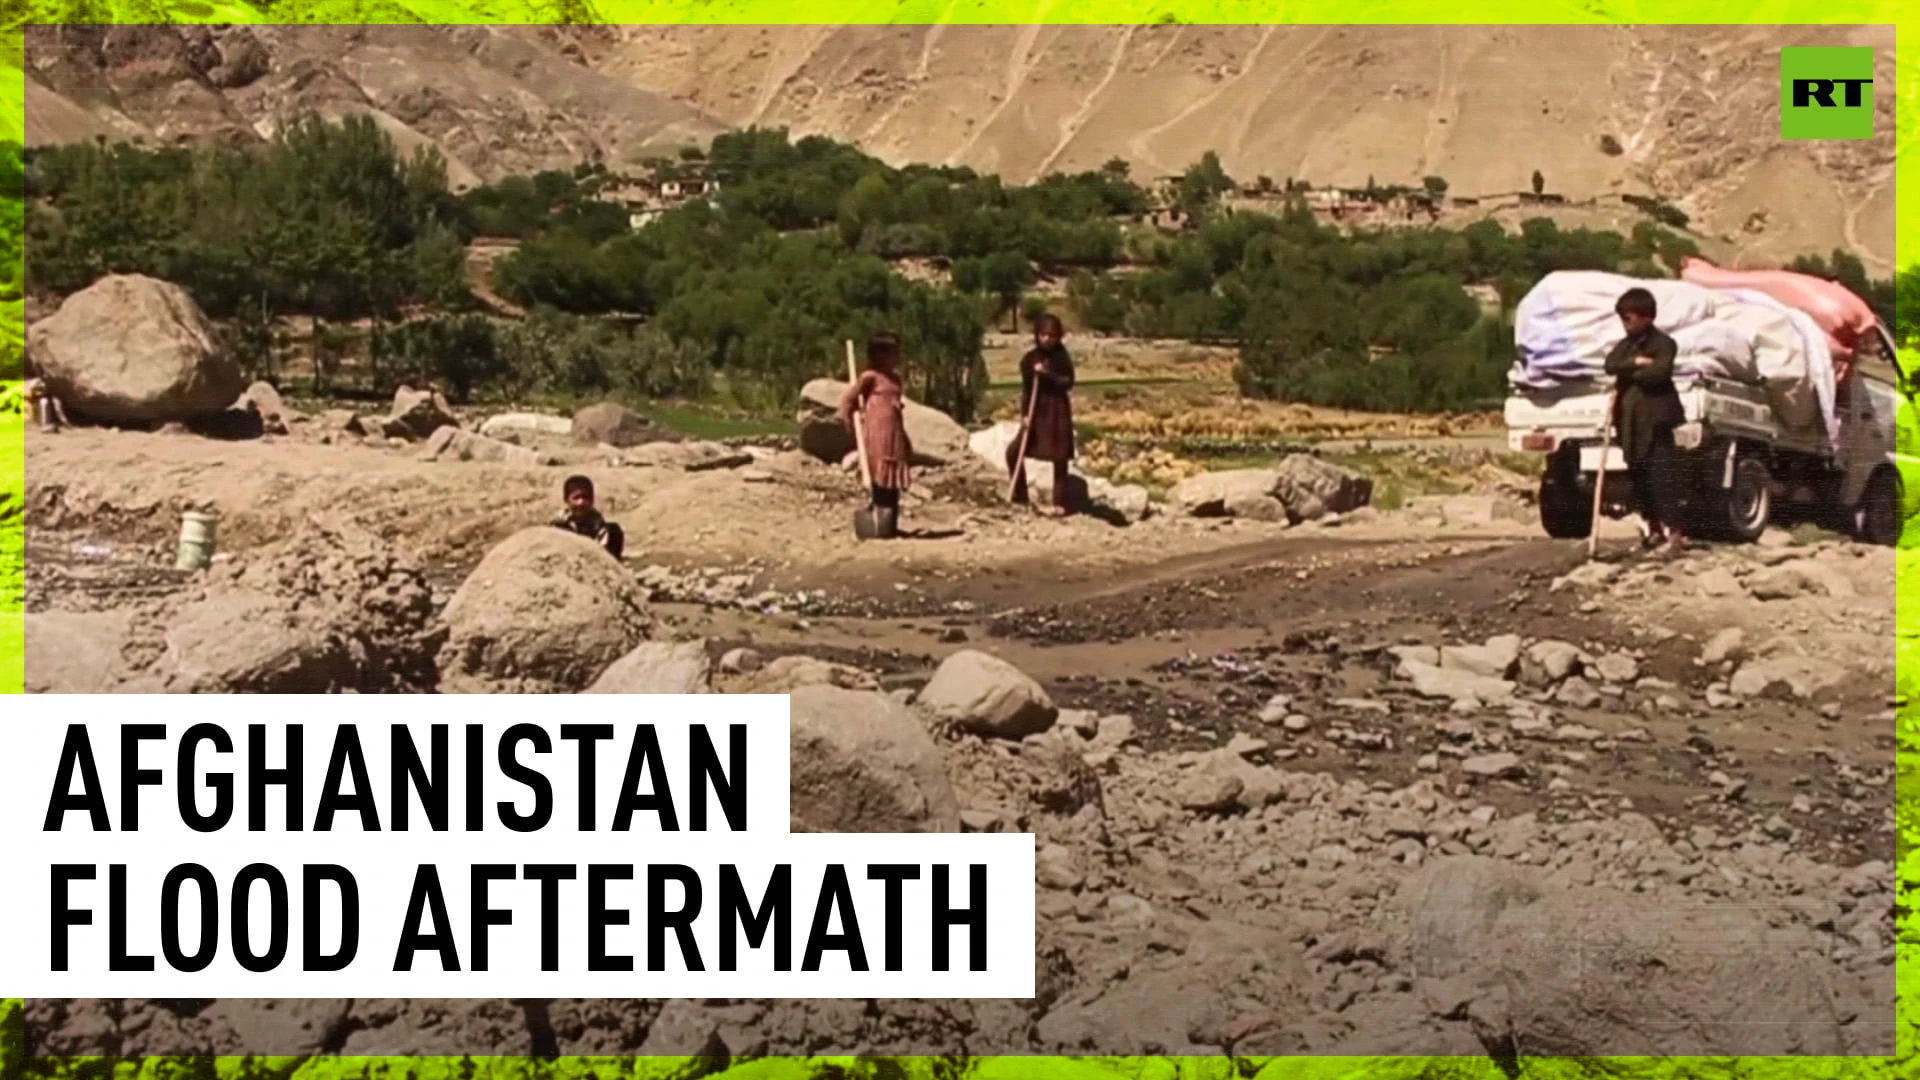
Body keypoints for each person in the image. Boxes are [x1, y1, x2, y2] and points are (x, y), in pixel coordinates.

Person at [1604, 288, 1687, 555]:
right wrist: (1637, 362)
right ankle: (1653, 529)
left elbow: (1658, 374)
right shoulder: (1627, 346)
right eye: (1623, 319)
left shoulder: (1664, 343)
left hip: (1657, 421)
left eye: (1629, 318)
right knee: (1639, 479)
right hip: (1630, 424)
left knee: (1662, 478)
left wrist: (1631, 371)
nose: (1626, 324)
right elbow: (1610, 364)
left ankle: (1675, 534)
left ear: (1646, 317)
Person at [838, 330, 914, 531]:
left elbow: (897, 409)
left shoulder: (895, 380)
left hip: (894, 431)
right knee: (880, 473)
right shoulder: (870, 378)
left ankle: (890, 523)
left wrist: (905, 438)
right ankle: (879, 518)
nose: (897, 358)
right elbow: (848, 400)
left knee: (893, 479)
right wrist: (847, 421)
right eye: (892, 353)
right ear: (879, 355)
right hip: (877, 430)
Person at [1007, 313, 1077, 515]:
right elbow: (1027, 389)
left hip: (1057, 410)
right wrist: (1024, 415)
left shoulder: (1061, 358)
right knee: (1014, 452)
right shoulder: (1029, 359)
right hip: (1036, 410)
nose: (1047, 339)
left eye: (1051, 335)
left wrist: (1048, 374)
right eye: (1043, 334)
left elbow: (1068, 382)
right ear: (1037, 335)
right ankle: (1020, 497)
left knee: (1060, 456)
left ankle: (1059, 503)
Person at [552, 474, 625, 559]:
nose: (581, 502)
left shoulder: (601, 528)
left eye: (586, 497)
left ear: (592, 499)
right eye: (576, 498)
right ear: (566, 499)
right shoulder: (558, 526)